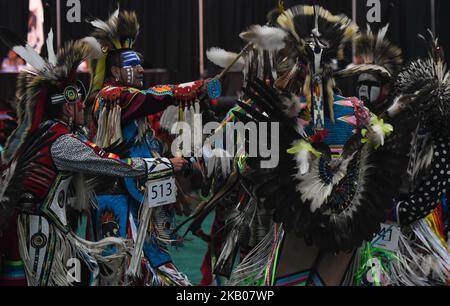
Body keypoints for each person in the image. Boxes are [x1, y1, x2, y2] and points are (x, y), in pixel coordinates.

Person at [0, 28, 185, 286]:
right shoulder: (61, 142)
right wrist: (164, 164)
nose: (83, 109)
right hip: (37, 227)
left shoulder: (45, 133)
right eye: (79, 105)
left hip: (32, 223)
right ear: (67, 106)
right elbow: (111, 163)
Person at [83, 9, 216, 285]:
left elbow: (145, 135)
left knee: (155, 266)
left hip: (140, 198)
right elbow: (147, 99)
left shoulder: (131, 102)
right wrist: (183, 89)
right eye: (134, 65)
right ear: (116, 71)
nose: (142, 70)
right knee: (122, 270)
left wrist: (175, 161)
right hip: (116, 198)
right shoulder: (109, 98)